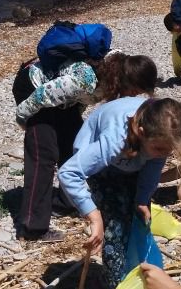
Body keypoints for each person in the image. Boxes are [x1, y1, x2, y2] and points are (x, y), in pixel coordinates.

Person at [57, 89, 181, 289]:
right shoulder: (113, 140)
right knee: (116, 224)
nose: (163, 155)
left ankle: (130, 270)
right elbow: (68, 173)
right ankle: (112, 288)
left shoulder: (158, 140)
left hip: (132, 159)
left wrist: (143, 200)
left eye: (168, 151)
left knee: (133, 216)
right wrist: (94, 216)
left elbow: (153, 168)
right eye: (160, 149)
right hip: (101, 166)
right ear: (142, 132)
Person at [15, 53, 153, 242]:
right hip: (34, 88)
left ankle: (64, 203)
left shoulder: (119, 72)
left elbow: (79, 101)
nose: (136, 96)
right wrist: (24, 119)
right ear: (126, 84)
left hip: (63, 99)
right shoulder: (85, 80)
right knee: (43, 155)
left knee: (72, 144)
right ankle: (32, 227)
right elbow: (41, 96)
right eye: (136, 91)